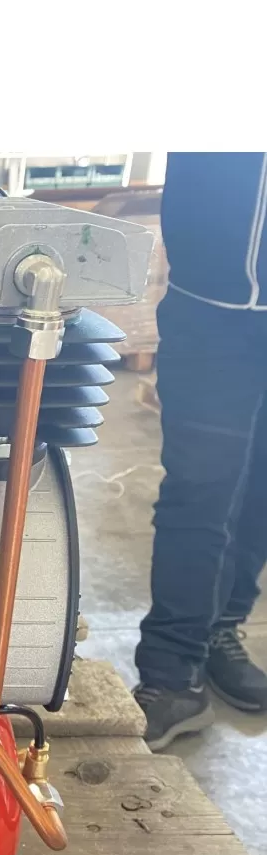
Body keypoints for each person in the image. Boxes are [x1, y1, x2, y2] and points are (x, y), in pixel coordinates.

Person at [135, 152, 267, 750]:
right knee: (199, 488)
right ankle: (171, 672)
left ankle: (221, 628)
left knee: (260, 487)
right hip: (211, 311)